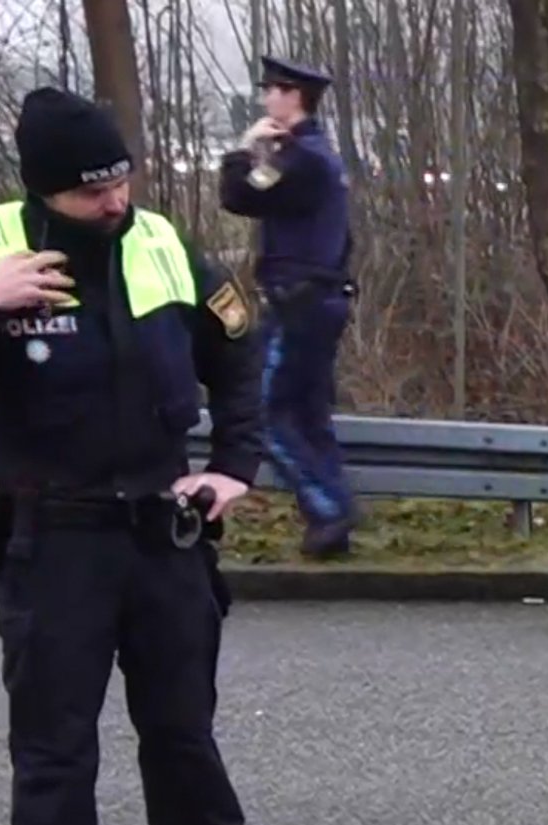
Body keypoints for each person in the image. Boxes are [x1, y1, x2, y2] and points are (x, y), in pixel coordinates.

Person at [0, 87, 288, 825]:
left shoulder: (162, 242)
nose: (114, 201)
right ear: (41, 192)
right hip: (54, 538)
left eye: (121, 180)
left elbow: (242, 349)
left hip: (163, 535)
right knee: (56, 749)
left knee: (183, 734)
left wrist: (234, 463)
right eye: (91, 192)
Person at [219, 55, 357, 559]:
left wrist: (243, 150)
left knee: (265, 411)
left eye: (270, 91)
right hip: (318, 301)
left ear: (292, 96)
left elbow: (240, 198)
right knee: (309, 412)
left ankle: (328, 510)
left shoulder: (304, 162)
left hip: (300, 303)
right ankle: (334, 515)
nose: (263, 100)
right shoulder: (312, 156)